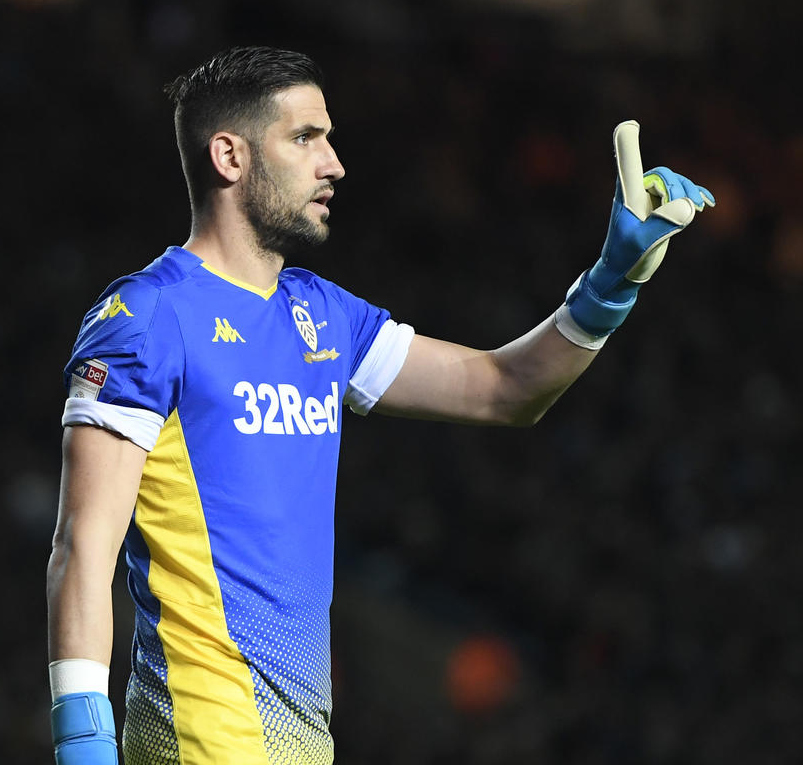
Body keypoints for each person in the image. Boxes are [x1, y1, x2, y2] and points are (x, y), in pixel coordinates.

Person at [45, 46, 714, 765]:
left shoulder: (322, 316)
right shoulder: (147, 318)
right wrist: (82, 743)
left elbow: (503, 390)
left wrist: (610, 283)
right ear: (229, 157)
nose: (333, 164)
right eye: (305, 138)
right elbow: (82, 547)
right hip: (197, 747)